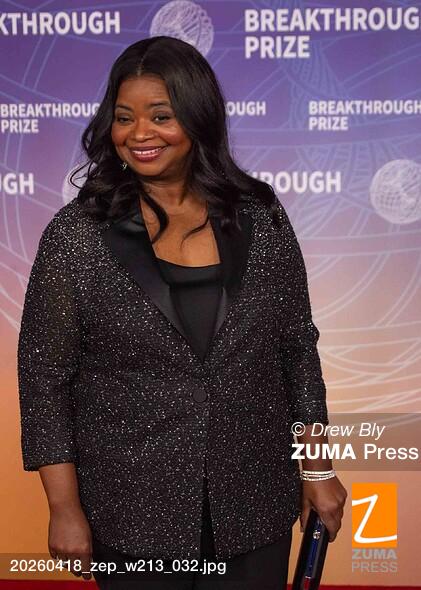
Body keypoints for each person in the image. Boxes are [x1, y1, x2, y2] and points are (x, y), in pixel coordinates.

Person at [17, 36, 347, 589]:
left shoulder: (261, 216)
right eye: (124, 118)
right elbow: (44, 379)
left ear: (198, 118)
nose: (139, 134)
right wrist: (64, 506)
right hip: (130, 513)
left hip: (253, 504)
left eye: (161, 116)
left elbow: (295, 349)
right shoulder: (77, 236)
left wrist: (316, 467)